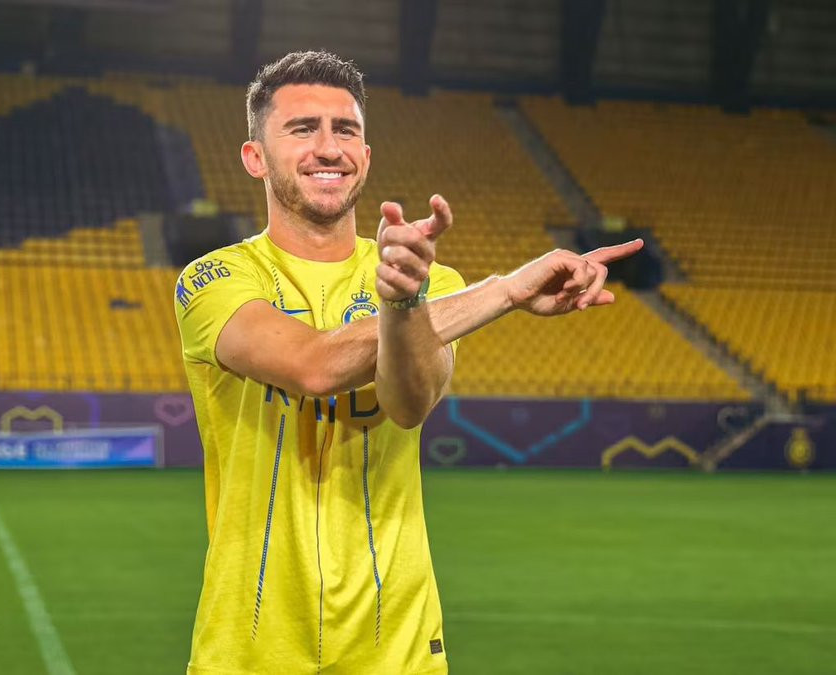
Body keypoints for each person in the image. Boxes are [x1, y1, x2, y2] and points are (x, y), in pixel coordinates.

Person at [174, 50, 642, 674]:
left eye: (345, 131)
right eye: (302, 129)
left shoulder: (432, 283)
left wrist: (404, 305)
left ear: (366, 158)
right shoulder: (213, 279)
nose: (328, 147)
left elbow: (408, 403)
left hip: (397, 647)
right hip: (251, 649)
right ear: (255, 157)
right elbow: (311, 367)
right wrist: (504, 292)